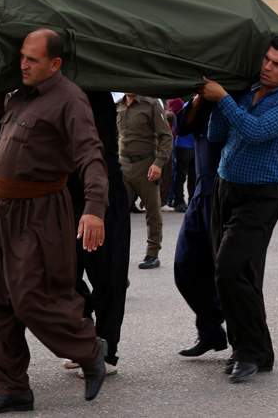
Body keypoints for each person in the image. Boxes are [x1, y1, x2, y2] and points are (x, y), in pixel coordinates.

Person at [0, 29, 108, 414]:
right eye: (21, 57)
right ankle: (12, 388)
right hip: (1, 212)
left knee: (30, 298)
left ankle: (88, 347)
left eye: (33, 59)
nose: (24, 64)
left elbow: (91, 155)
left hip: (39, 213)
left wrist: (95, 207)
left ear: (55, 63)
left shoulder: (69, 99)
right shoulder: (18, 97)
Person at [202, 33, 278, 383]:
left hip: (261, 195)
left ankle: (250, 351)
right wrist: (216, 104)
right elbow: (218, 134)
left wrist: (225, 100)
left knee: (229, 271)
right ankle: (254, 351)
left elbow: (256, 131)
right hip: (225, 188)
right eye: (266, 59)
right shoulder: (247, 92)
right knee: (238, 275)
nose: (267, 67)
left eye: (277, 64)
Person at [65, 91, 132, 378]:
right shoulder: (52, 90)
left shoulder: (95, 93)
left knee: (107, 274)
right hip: (66, 189)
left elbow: (98, 149)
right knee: (65, 274)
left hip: (102, 188)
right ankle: (85, 338)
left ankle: (106, 348)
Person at [173, 96, 228, 360]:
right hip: (200, 192)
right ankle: (211, 329)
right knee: (185, 267)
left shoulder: (234, 98)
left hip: (225, 193)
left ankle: (245, 345)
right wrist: (197, 100)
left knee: (228, 273)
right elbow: (181, 127)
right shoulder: (200, 102)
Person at [116, 94, 173, 269]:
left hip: (146, 165)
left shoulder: (152, 104)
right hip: (123, 164)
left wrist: (158, 163)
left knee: (153, 211)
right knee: (117, 213)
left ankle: (152, 253)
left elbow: (166, 137)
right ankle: (117, 253)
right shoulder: (118, 105)